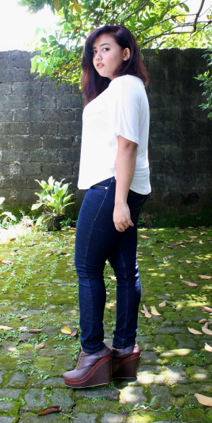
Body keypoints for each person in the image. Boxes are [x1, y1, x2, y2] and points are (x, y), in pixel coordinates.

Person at [63, 24, 151, 389]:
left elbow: (127, 144)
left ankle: (93, 354)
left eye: (106, 49)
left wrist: (118, 203)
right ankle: (124, 352)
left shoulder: (126, 85)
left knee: (87, 268)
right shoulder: (121, 87)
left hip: (111, 187)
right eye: (94, 51)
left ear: (126, 53)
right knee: (126, 270)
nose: (98, 57)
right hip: (122, 186)